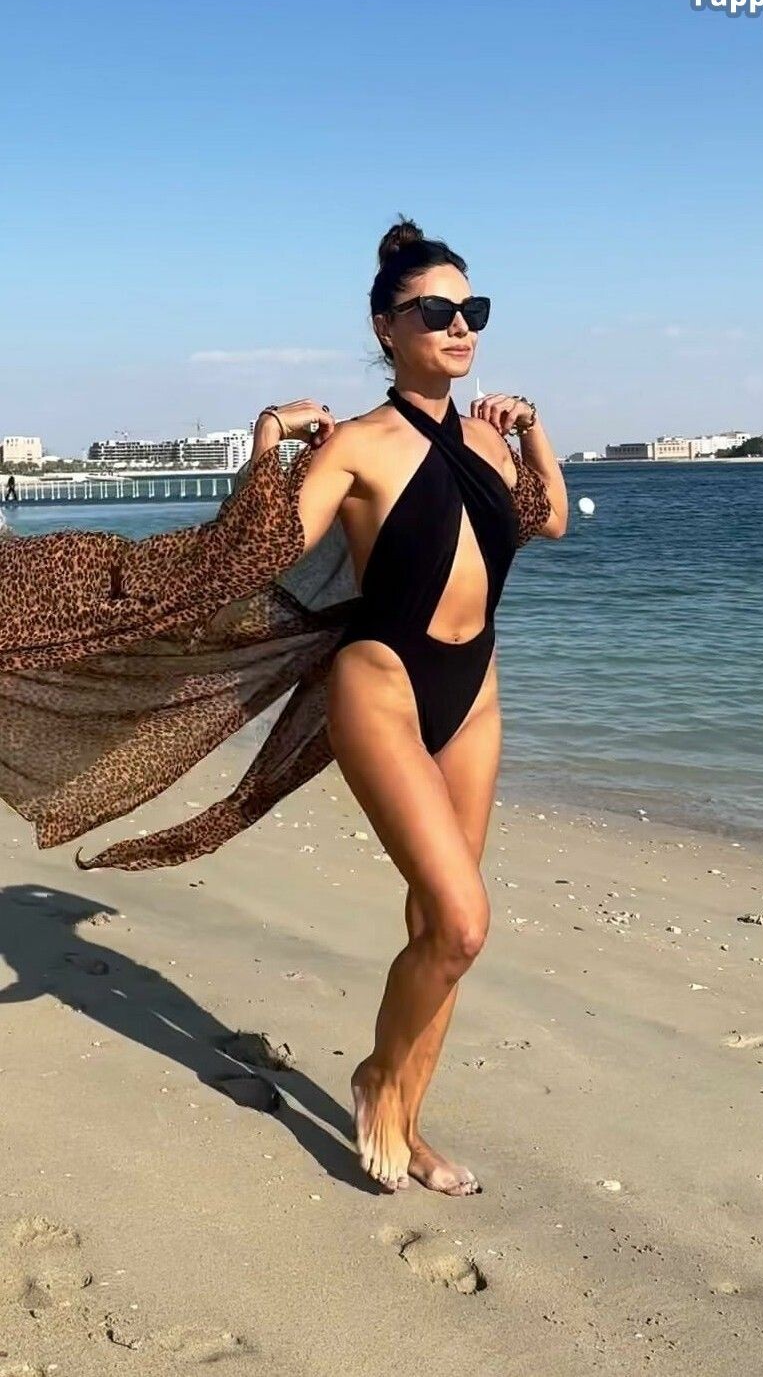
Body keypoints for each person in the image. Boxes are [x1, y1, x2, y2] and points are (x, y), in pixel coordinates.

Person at [0, 216, 568, 1197]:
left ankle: (408, 1120)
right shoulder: (356, 446)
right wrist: (266, 440)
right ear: (386, 326)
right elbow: (246, 552)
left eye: (472, 309)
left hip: (475, 692)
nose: (459, 325)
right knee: (464, 922)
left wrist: (534, 431)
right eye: (436, 310)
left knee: (437, 926)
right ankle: (376, 1081)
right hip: (382, 682)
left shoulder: (487, 437)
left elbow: (547, 518)